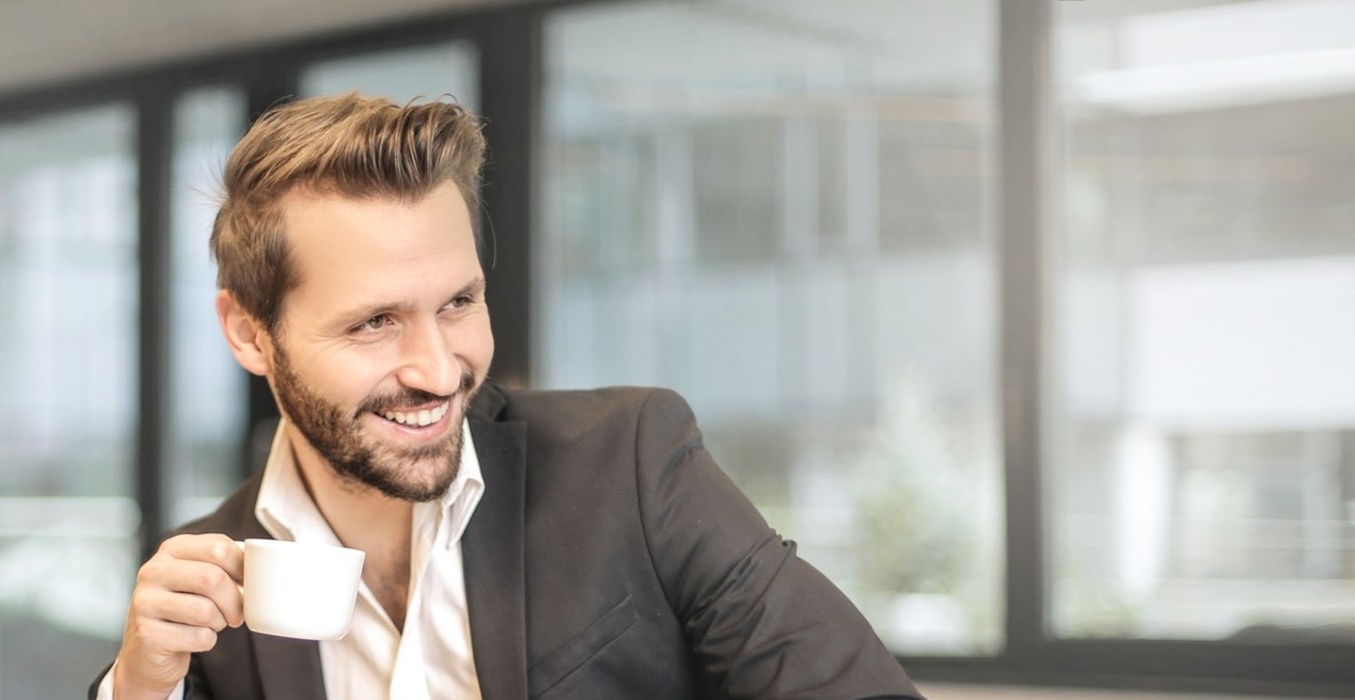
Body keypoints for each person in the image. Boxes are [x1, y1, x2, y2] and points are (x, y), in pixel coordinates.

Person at [92, 92, 923, 700]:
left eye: (458, 303)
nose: (437, 367)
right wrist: (136, 690)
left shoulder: (630, 463)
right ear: (248, 334)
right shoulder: (202, 595)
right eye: (376, 322)